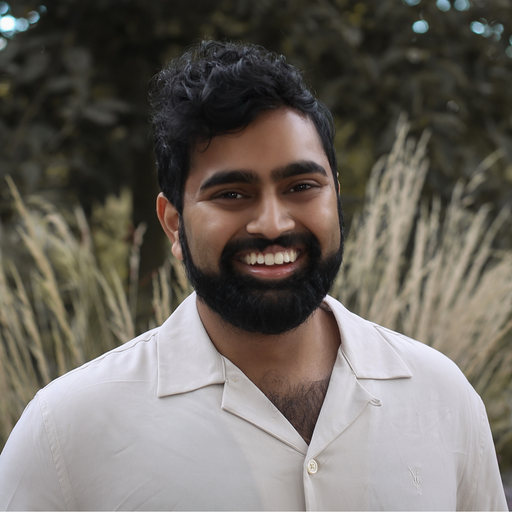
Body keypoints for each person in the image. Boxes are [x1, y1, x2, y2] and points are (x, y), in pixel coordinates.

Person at [0, 40, 507, 511]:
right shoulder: (65, 431)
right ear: (174, 223)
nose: (273, 224)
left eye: (301, 185)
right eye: (232, 194)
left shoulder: (443, 396)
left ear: (336, 197)